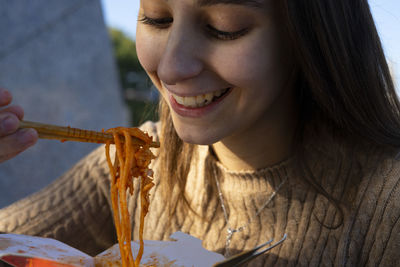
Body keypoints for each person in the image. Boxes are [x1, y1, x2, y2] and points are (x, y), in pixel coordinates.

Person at [1, 0, 399, 265]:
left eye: (224, 28)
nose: (172, 68)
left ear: (311, 41)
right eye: (157, 18)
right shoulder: (133, 168)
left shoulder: (386, 205)